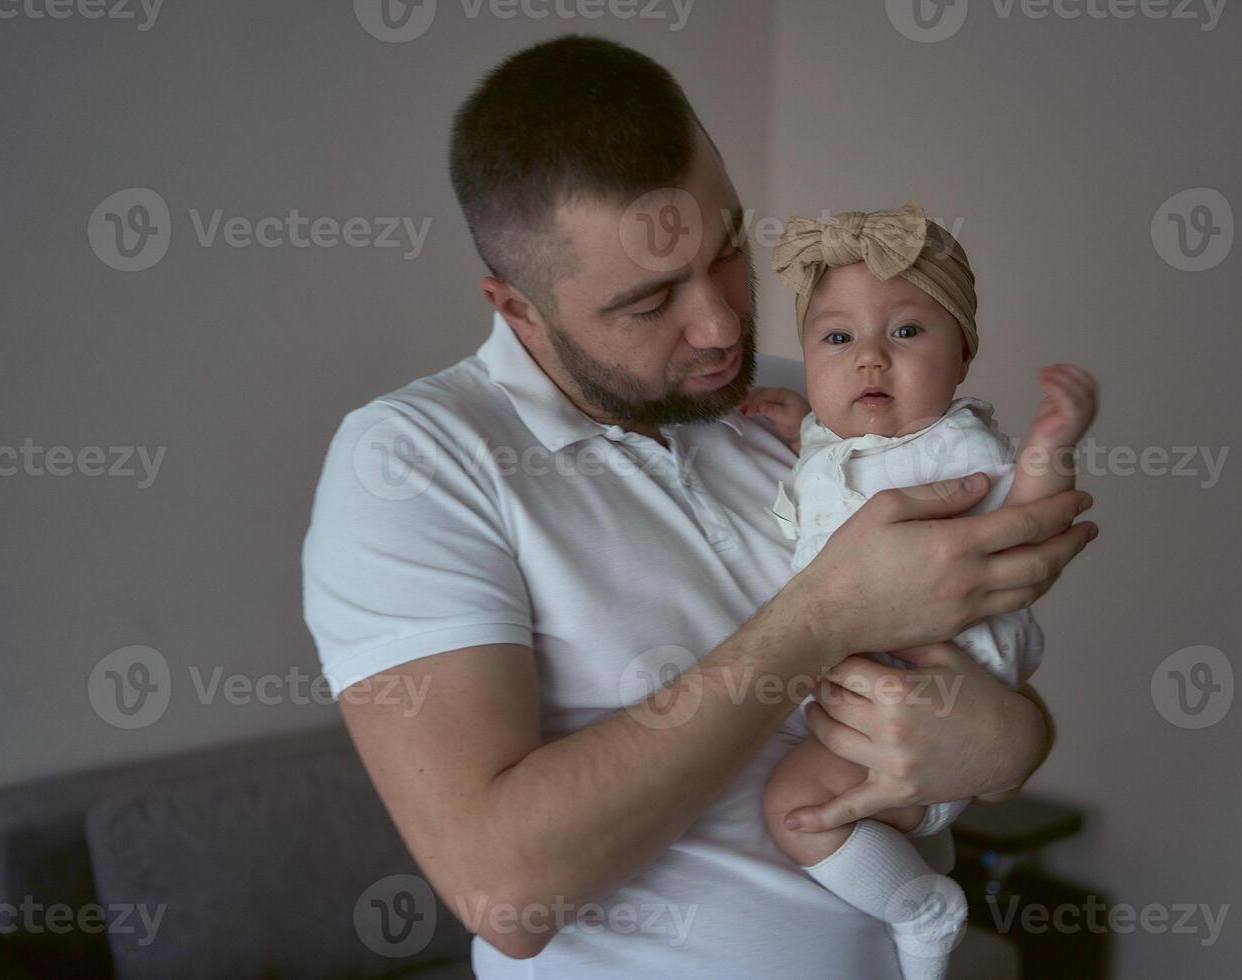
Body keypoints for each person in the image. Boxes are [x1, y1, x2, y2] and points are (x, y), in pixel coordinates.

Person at [301, 35, 1097, 979]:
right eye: (649, 303)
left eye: (726, 251)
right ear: (517, 309)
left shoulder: (814, 407)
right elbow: (506, 892)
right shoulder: (414, 461)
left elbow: (977, 662)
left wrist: (1013, 740)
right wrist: (826, 614)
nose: (723, 325)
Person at [741, 202, 1098, 979]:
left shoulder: (955, 446)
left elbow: (1028, 518)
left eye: (905, 332)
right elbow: (839, 459)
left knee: (793, 813)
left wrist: (1052, 445)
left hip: (933, 694)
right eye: (838, 339)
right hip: (878, 704)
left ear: (963, 353)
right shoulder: (830, 439)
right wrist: (800, 422)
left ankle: (922, 907)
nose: (869, 359)